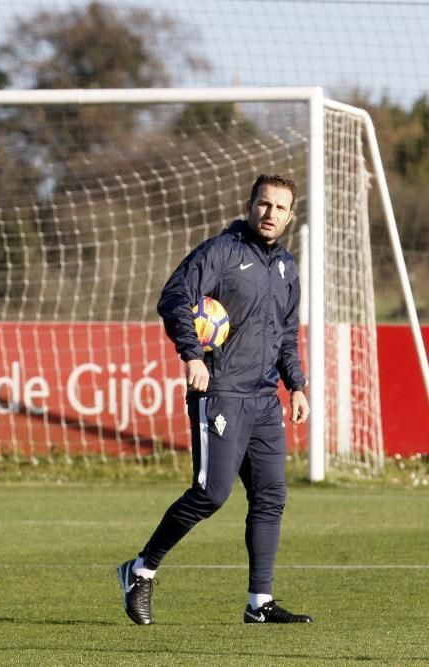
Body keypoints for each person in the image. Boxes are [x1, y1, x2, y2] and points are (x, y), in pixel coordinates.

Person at [116, 174, 313, 625]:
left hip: (264, 398)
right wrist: (192, 353)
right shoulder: (221, 251)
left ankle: (259, 603)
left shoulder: (285, 268)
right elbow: (174, 298)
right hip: (220, 391)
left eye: (280, 208)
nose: (270, 214)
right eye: (264, 204)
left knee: (271, 497)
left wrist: (296, 385)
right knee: (211, 493)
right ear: (250, 205)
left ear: (290, 215)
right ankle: (141, 569)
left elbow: (285, 334)